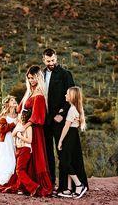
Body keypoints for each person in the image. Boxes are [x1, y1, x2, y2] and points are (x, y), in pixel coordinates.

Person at [0, 65, 53, 197]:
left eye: (33, 78)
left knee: (34, 157)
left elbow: (38, 117)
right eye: (29, 78)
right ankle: (28, 184)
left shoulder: (39, 95)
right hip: (26, 128)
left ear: (38, 77)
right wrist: (5, 115)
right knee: (26, 159)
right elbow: (19, 109)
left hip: (33, 130)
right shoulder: (30, 92)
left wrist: (23, 127)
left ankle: (35, 185)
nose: (31, 80)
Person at [42, 48, 75, 191]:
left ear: (56, 58)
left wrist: (62, 114)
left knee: (61, 151)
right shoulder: (41, 75)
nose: (51, 63)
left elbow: (72, 96)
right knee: (47, 152)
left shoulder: (65, 74)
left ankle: (64, 186)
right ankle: (50, 183)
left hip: (59, 120)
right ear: (44, 60)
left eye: (53, 60)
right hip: (44, 120)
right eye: (48, 61)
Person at [57, 86, 88, 199]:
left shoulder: (72, 109)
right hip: (73, 136)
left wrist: (60, 141)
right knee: (68, 161)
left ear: (72, 96)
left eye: (67, 94)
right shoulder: (74, 108)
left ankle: (79, 185)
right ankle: (69, 189)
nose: (65, 95)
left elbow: (66, 127)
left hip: (69, 135)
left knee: (64, 162)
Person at [11, 108, 39, 196]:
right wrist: (17, 131)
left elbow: (29, 140)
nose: (21, 116)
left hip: (25, 149)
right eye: (21, 115)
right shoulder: (19, 125)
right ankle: (21, 188)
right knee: (21, 170)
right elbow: (12, 134)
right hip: (18, 148)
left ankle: (33, 187)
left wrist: (19, 135)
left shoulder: (29, 127)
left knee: (19, 170)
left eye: (23, 115)